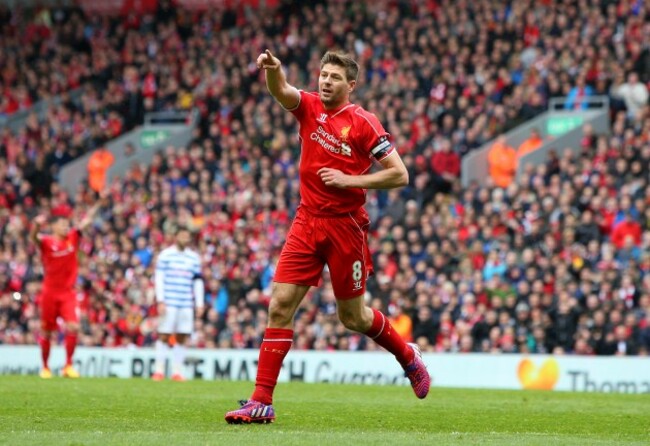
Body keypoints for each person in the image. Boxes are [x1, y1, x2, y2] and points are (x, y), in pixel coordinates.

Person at [224, 50, 430, 425]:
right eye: (323, 74)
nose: (326, 81)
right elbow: (282, 91)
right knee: (280, 304)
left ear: (351, 85)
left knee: (352, 317)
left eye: (335, 76)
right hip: (307, 221)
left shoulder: (364, 122)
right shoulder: (310, 107)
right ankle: (261, 401)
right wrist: (274, 71)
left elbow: (400, 174)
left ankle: (408, 357)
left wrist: (352, 180)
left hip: (345, 226)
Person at [29, 196, 104, 378]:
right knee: (47, 331)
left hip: (67, 293)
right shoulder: (46, 241)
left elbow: (86, 221)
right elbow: (33, 238)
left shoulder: (72, 238)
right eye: (62, 224)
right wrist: (36, 225)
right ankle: (45, 367)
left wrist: (100, 203)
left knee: (73, 327)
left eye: (66, 224)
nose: (65, 227)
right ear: (53, 226)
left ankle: (68, 366)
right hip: (49, 293)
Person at [152, 226, 204, 381]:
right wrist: (160, 300)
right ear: (175, 237)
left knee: (182, 335)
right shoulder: (165, 255)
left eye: (187, 236)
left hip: (186, 302)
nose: (184, 239)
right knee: (164, 334)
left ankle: (177, 371)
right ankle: (159, 370)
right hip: (170, 302)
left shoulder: (193, 257)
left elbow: (198, 281)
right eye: (182, 236)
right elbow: (159, 279)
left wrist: (199, 303)